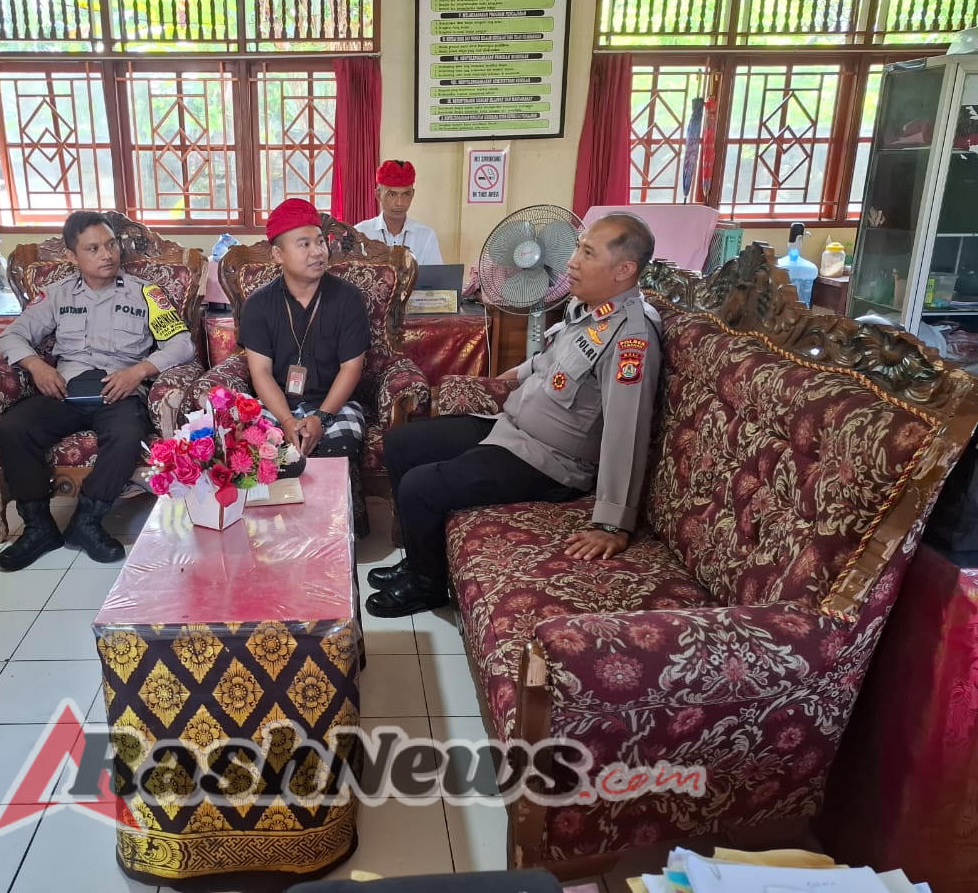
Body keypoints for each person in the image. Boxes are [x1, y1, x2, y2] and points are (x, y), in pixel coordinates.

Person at [365, 213, 662, 618]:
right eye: (577, 247)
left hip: (551, 463)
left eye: (587, 252)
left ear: (625, 269)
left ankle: (427, 586)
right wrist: (519, 372)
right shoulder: (590, 309)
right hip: (511, 429)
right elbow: (555, 357)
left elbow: (626, 432)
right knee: (403, 443)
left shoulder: (630, 335)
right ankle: (420, 558)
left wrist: (613, 522)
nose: (572, 260)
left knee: (421, 486)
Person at [0, 210, 196, 571]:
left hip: (118, 391)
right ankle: (39, 526)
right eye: (93, 249)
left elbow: (182, 344)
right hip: (65, 391)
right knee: (14, 427)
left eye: (110, 245)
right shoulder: (55, 295)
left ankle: (87, 521)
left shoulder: (146, 294)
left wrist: (138, 371)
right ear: (72, 256)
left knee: (128, 433)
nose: (107, 255)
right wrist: (37, 366)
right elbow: (11, 335)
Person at [238, 198, 371, 463]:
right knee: (257, 446)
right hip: (277, 405)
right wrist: (287, 420)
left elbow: (351, 368)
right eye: (304, 244)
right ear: (278, 254)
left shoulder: (349, 299)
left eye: (320, 241)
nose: (318, 252)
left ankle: (340, 505)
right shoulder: (258, 304)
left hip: (334, 404)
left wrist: (321, 418)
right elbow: (261, 372)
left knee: (341, 443)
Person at [355, 160, 443, 266]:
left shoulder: (426, 236)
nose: (400, 203)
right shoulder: (360, 233)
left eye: (406, 194)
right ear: (378, 195)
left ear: (412, 195)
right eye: (392, 194)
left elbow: (436, 281)